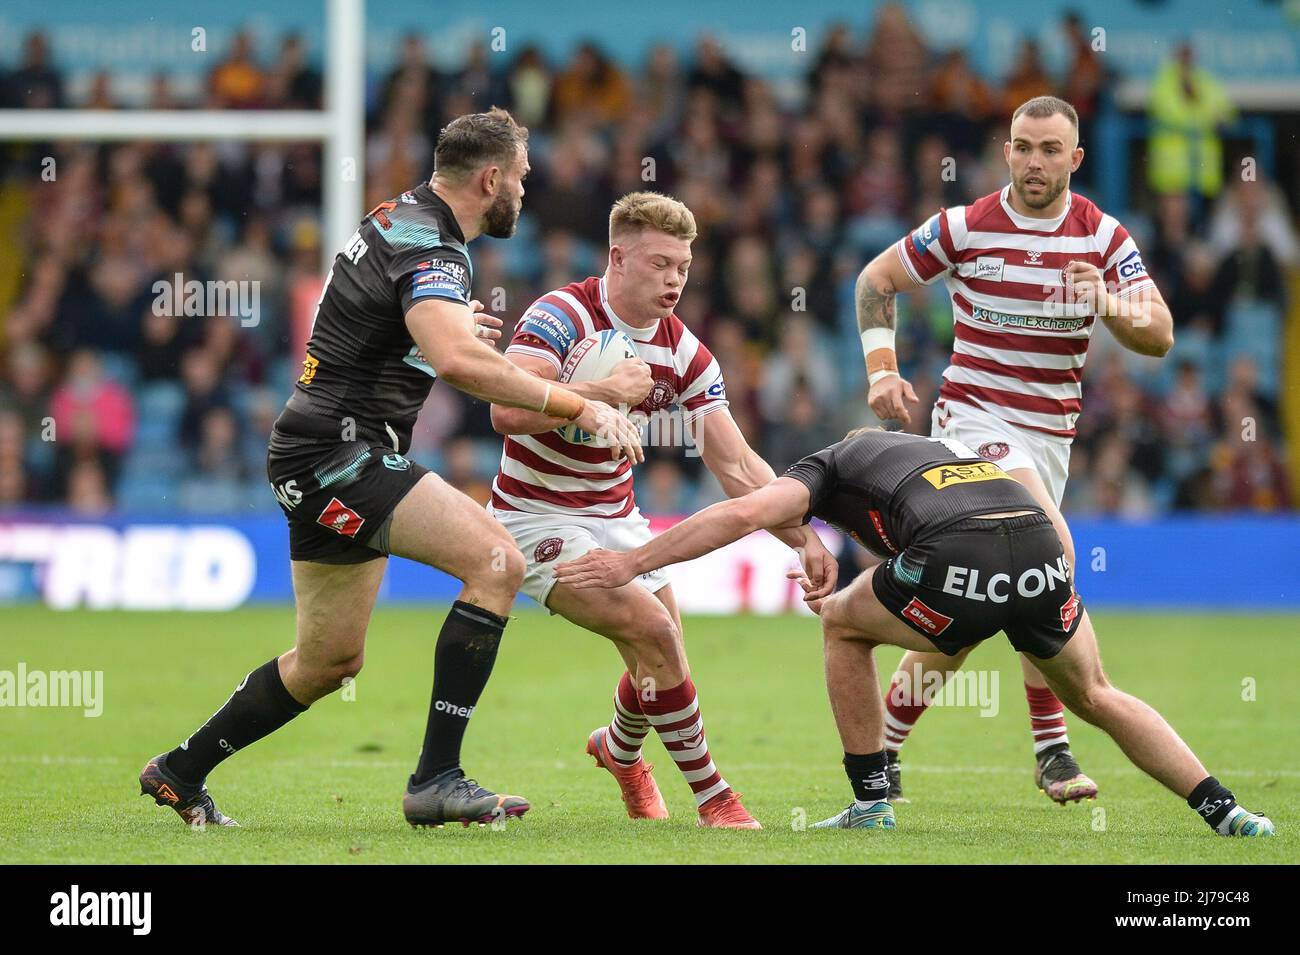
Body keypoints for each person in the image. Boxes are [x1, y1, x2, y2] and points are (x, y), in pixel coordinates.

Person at [140, 109, 641, 830]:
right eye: (523, 179)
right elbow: (459, 364)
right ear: (491, 177)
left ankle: (179, 770)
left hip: (314, 450)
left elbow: (390, 329)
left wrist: (448, 326)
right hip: (340, 455)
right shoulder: (435, 244)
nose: (526, 194)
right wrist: (580, 406)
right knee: (497, 561)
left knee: (327, 662)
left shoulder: (400, 221)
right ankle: (437, 778)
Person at [554, 428, 1275, 837]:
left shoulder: (825, 468)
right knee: (1096, 691)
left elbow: (742, 515)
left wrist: (635, 558)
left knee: (841, 624)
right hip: (1039, 542)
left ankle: (871, 799)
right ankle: (1225, 808)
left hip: (959, 553)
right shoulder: (926, 452)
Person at [856, 95, 1174, 804]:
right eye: (1023, 147)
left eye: (1050, 149)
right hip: (971, 423)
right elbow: (876, 279)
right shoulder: (964, 227)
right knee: (1047, 550)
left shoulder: (1103, 238)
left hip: (1049, 438)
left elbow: (1160, 334)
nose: (1034, 161)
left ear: (1076, 158)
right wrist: (882, 368)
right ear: (1006, 150)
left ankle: (882, 750)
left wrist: (1111, 305)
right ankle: (1054, 748)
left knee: (965, 614)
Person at [487, 191, 837, 828]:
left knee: (664, 657)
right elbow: (504, 411)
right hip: (534, 516)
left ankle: (619, 751)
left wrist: (803, 536)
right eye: (659, 264)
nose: (674, 279)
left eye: (682, 265)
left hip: (618, 519)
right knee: (656, 636)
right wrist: (601, 391)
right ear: (618, 258)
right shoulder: (561, 313)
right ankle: (715, 799)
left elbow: (736, 466)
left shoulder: (685, 353)